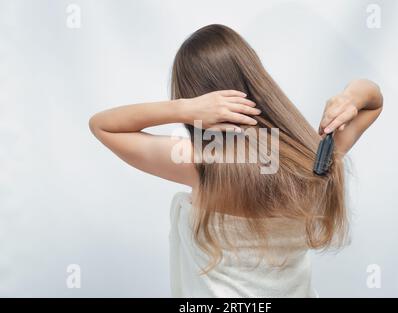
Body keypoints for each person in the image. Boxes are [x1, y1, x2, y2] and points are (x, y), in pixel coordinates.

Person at [89, 24, 383, 297]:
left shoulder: (201, 164)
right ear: (256, 81)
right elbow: (374, 101)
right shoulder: (311, 159)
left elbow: (102, 125)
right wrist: (349, 98)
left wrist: (183, 109)